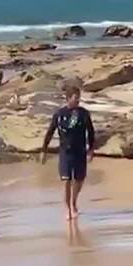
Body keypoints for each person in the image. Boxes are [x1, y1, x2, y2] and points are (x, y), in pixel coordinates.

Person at [40, 82, 96, 222]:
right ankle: (67, 207)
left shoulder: (83, 114)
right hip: (65, 151)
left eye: (79, 97)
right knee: (66, 180)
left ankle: (74, 202)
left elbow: (91, 132)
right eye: (76, 97)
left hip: (80, 151)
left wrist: (91, 150)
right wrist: (44, 150)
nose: (78, 100)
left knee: (79, 180)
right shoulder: (59, 115)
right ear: (68, 98)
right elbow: (50, 132)